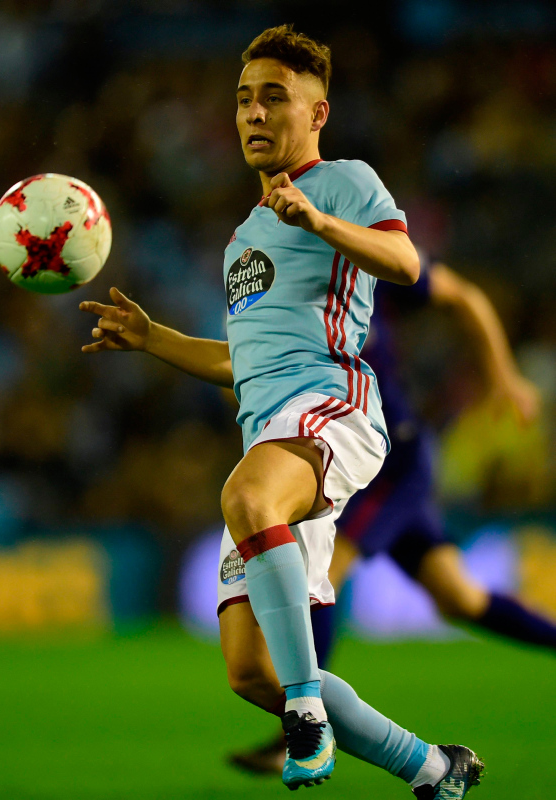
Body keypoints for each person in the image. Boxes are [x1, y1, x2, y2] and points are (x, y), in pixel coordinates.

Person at [80, 25, 484, 796]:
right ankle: (434, 767)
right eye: (243, 100)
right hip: (275, 429)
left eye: (274, 97)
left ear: (316, 113)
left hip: (334, 403)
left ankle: (306, 718)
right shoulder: (242, 240)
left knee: (244, 497)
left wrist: (320, 222)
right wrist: (153, 338)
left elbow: (404, 262)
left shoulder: (342, 181)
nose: (254, 114)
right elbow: (247, 364)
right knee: (250, 670)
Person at [229, 255, 555, 776]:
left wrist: (503, 376)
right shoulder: (282, 278)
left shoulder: (363, 256)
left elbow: (464, 295)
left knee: (322, 573)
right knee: (459, 598)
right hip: (360, 461)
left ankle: (299, 728)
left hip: (389, 460)